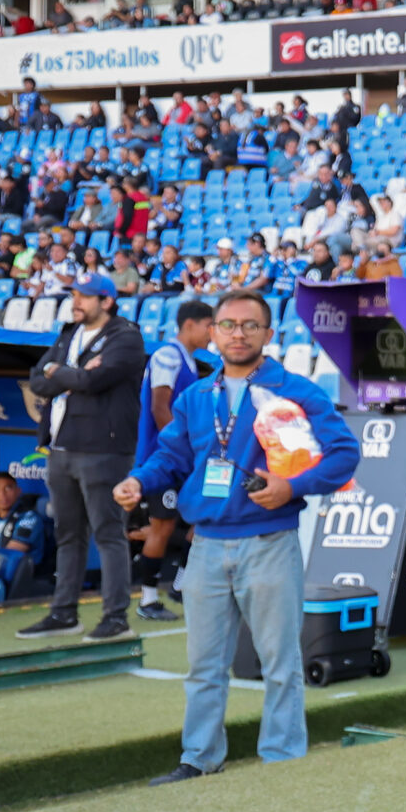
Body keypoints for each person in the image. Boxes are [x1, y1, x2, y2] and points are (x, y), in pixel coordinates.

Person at [114, 291, 359, 785]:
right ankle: (200, 758)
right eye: (228, 325)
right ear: (213, 333)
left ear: (269, 335)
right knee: (204, 666)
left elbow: (343, 454)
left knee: (280, 664)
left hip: (270, 543)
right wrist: (140, 480)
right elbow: (172, 459)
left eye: (250, 325)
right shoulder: (195, 398)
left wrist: (293, 485)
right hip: (204, 546)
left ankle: (283, 759)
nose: (238, 333)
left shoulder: (296, 391)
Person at [18, 273, 144, 641]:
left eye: (85, 296)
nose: (77, 301)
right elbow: (37, 380)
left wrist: (61, 373)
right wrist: (67, 373)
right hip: (60, 447)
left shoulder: (125, 336)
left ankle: (115, 617)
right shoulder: (69, 333)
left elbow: (94, 381)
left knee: (108, 533)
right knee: (68, 534)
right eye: (75, 294)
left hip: (103, 449)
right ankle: (63, 613)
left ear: (106, 301)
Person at [131, 299, 215, 621]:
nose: (212, 334)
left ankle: (181, 585)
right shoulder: (167, 355)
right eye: (209, 326)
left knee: (201, 519)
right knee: (162, 527)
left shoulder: (190, 362)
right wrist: (183, 446)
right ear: (190, 325)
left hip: (183, 460)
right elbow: (159, 407)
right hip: (162, 459)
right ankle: (148, 599)